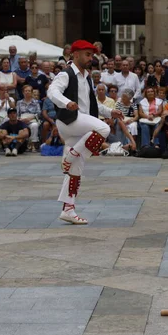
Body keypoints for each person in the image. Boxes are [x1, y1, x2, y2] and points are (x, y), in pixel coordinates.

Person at [48, 40, 124, 225]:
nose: (91, 58)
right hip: (70, 120)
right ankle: (71, 155)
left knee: (76, 170)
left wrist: (109, 111)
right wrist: (66, 103)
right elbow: (52, 91)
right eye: (87, 54)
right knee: (104, 128)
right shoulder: (66, 74)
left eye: (92, 55)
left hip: (80, 122)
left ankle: (68, 209)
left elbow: (92, 104)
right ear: (75, 55)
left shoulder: (87, 77)